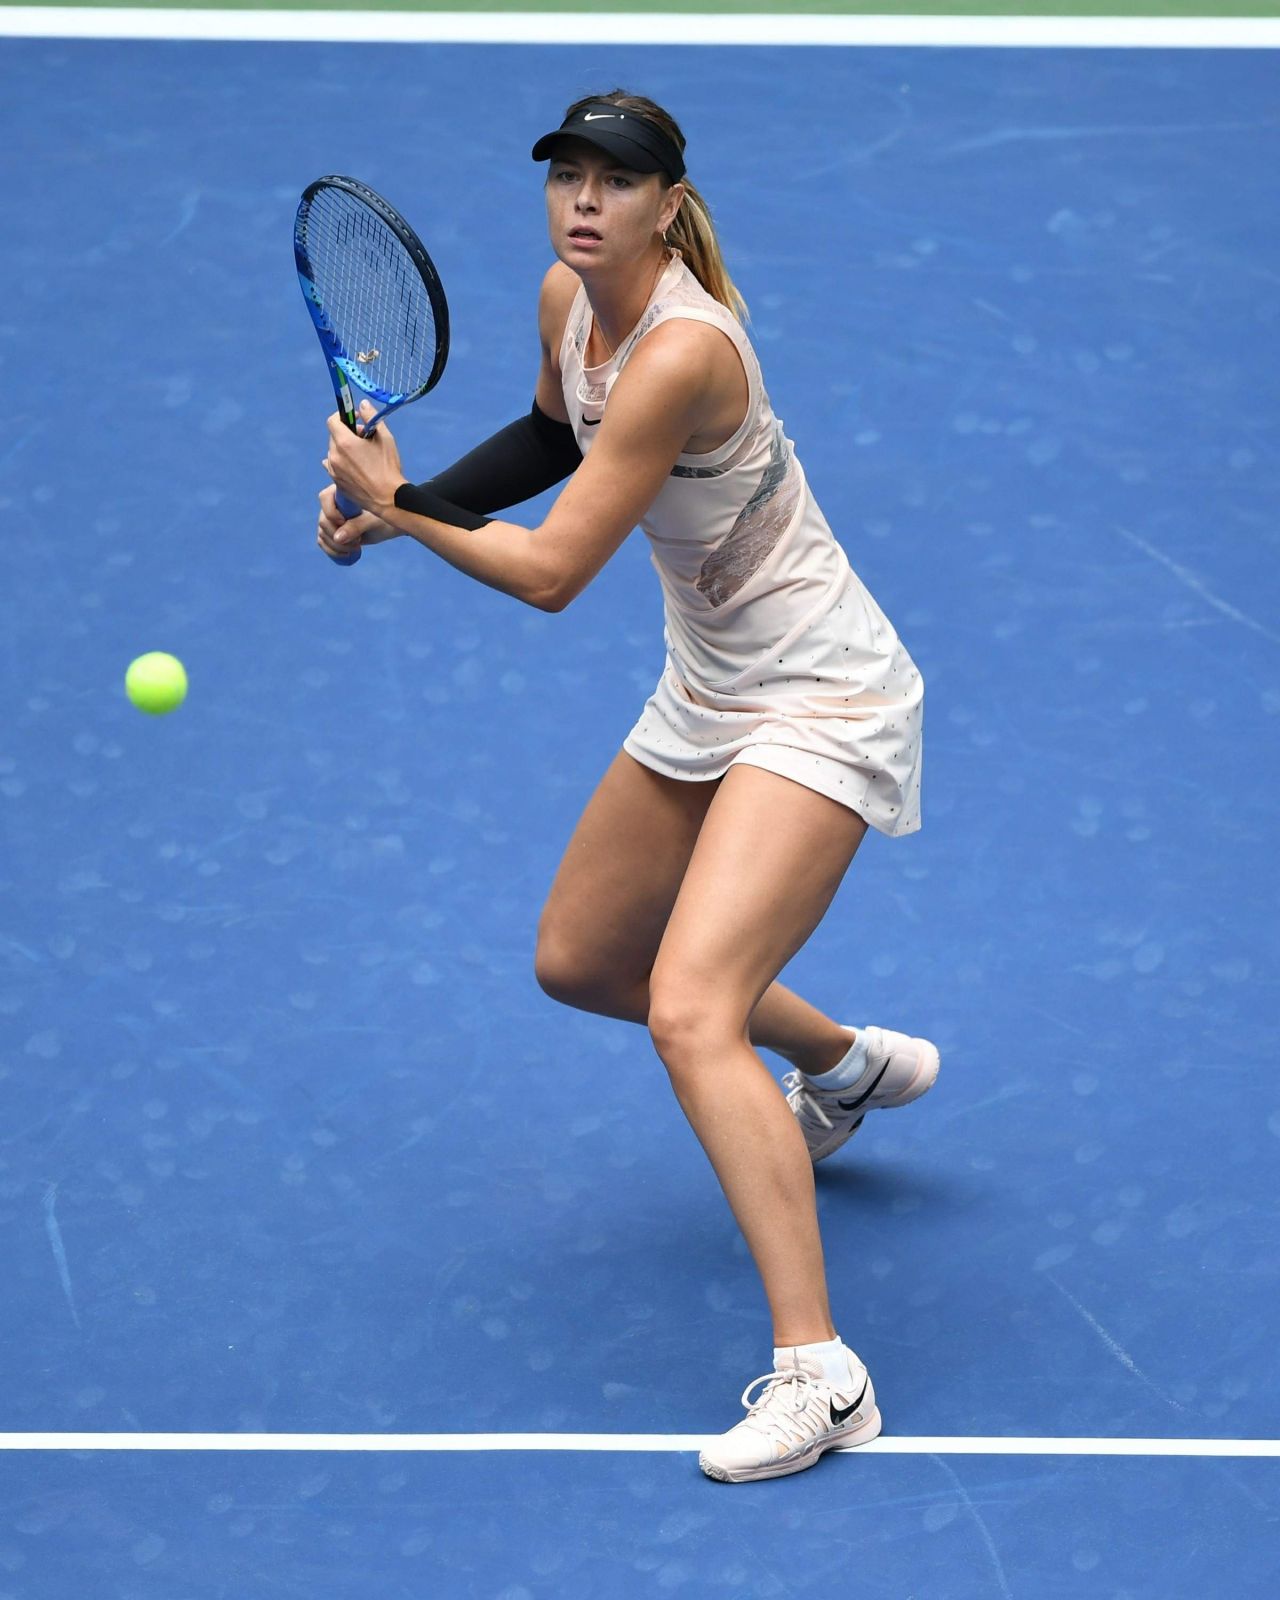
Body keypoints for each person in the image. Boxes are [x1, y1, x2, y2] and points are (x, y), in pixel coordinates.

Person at [319, 89, 939, 1484]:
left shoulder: (683, 354)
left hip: (821, 695)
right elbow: (550, 439)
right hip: (712, 683)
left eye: (616, 181)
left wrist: (401, 505)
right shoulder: (568, 298)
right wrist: (389, 506)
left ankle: (821, 1377)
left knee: (689, 1010)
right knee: (584, 958)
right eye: (567, 177)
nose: (584, 202)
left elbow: (549, 576)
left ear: (670, 202)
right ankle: (841, 1067)